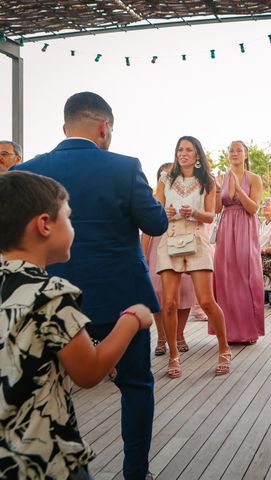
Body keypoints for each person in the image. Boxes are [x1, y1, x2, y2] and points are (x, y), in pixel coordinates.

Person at [13, 92, 167, 480]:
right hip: (121, 300)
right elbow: (157, 224)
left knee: (51, 388)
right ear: (104, 127)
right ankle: (136, 472)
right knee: (135, 386)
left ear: (65, 128)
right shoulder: (125, 167)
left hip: (45, 300)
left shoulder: (27, 173)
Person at [0, 171, 154, 480]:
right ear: (44, 225)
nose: (73, 227)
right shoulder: (51, 294)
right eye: (69, 219)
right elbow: (89, 370)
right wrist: (132, 319)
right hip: (46, 458)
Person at [156, 136, 231, 377]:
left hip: (197, 238)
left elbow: (211, 215)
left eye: (188, 149)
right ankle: (173, 356)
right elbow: (155, 212)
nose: (183, 153)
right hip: (171, 238)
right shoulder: (165, 179)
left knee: (206, 301)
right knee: (169, 303)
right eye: (180, 149)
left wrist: (195, 212)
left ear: (197, 154)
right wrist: (164, 213)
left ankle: (224, 349)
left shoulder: (206, 182)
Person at [141, 162, 197, 356]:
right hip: (160, 246)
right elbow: (146, 232)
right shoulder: (153, 204)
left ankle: (179, 334)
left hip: (185, 243)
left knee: (185, 289)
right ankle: (162, 337)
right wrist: (142, 257)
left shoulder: (189, 197)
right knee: (158, 292)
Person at [213, 140, 264, 343]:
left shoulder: (254, 178)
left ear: (246, 155)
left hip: (246, 227)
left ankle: (248, 331)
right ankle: (228, 332)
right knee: (225, 277)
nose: (235, 153)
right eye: (231, 150)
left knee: (246, 275)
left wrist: (238, 188)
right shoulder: (221, 178)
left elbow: (253, 208)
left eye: (239, 150)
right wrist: (218, 190)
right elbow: (217, 209)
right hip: (226, 227)